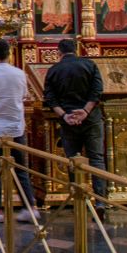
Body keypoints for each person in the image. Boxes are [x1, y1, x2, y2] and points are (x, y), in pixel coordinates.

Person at [0, 38, 40, 223]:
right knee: (21, 169)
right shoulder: (20, 74)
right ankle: (30, 207)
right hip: (15, 128)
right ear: (10, 53)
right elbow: (23, 95)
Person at [43, 38, 107, 214]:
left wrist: (65, 115)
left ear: (59, 52)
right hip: (91, 118)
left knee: (73, 160)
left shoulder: (54, 70)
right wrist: (85, 112)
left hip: (68, 121)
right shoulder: (89, 65)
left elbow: (50, 98)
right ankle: (100, 201)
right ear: (76, 49)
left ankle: (78, 199)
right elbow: (97, 92)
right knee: (96, 159)